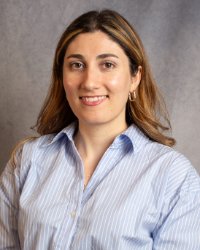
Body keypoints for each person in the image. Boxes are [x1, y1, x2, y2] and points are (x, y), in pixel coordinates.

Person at [0, 9, 200, 250]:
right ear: (61, 77)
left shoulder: (173, 176)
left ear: (135, 77)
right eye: (76, 65)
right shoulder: (27, 161)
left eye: (107, 64)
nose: (90, 82)